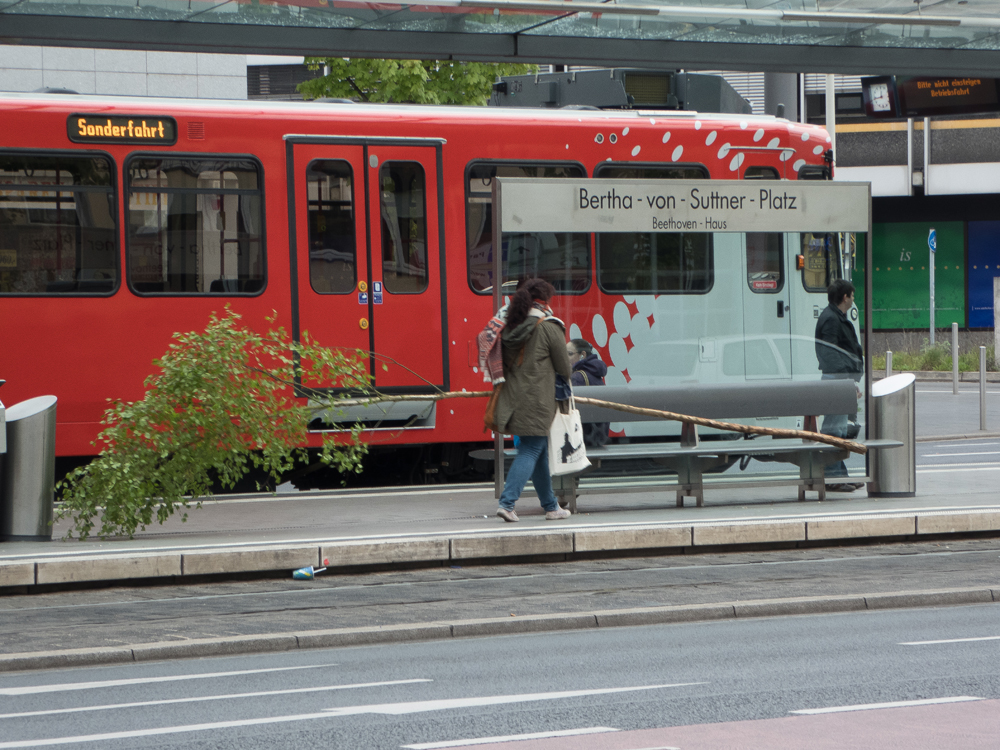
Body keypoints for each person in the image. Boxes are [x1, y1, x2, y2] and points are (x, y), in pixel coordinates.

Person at [493, 279, 573, 522]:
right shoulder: (549, 327)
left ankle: (550, 506)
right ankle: (507, 503)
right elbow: (565, 368)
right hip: (538, 400)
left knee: (537, 452)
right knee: (530, 450)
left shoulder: (510, 325)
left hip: (515, 397)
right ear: (545, 301)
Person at [815, 279, 865, 492]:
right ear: (845, 297)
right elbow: (830, 352)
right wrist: (846, 381)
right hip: (837, 381)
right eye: (852, 296)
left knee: (839, 430)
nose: (854, 299)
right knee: (834, 430)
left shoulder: (835, 317)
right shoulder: (831, 320)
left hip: (841, 380)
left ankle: (840, 474)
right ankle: (833, 477)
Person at [567, 338, 610, 448]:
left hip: (582, 437)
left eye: (570, 354)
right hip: (598, 434)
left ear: (583, 355)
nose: (565, 358)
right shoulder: (595, 373)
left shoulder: (577, 377)